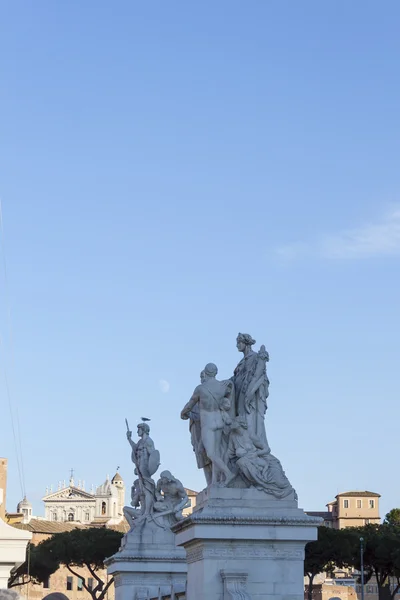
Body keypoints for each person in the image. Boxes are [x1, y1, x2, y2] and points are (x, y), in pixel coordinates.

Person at [181, 363, 233, 486]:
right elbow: (230, 396)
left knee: (211, 454)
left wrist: (183, 413)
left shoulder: (200, 388)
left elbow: (191, 404)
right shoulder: (222, 386)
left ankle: (228, 474)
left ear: (206, 372)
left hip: (208, 423)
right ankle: (215, 481)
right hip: (219, 422)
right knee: (217, 453)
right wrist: (229, 384)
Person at [227, 417, 293, 498]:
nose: (231, 423)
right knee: (241, 462)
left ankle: (264, 483)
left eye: (234, 421)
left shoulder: (250, 435)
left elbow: (266, 449)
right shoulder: (233, 436)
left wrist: (256, 454)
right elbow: (229, 453)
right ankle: (257, 482)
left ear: (240, 424)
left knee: (279, 481)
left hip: (259, 457)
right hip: (246, 460)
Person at [233, 333, 270, 446]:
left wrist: (250, 392)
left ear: (246, 343)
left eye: (239, 342)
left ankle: (254, 446)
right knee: (242, 419)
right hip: (240, 394)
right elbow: (237, 378)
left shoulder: (254, 357)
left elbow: (258, 376)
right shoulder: (242, 361)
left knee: (250, 421)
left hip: (250, 395)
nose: (237, 345)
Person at [126, 422, 159, 517]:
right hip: (140, 466)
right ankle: (144, 510)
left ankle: (148, 512)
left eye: (138, 429)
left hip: (145, 467)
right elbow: (134, 449)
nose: (137, 431)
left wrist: (150, 467)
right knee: (142, 490)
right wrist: (129, 438)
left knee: (147, 490)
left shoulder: (149, 441)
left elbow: (153, 454)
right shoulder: (140, 442)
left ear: (143, 429)